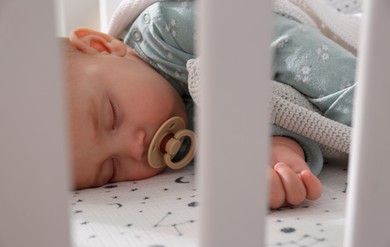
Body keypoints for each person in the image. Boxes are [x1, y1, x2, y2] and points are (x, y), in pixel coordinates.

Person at [63, 0, 356, 209]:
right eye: (111, 170)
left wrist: (363, 104)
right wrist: (279, 150)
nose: (134, 148)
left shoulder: (165, 24)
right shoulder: (179, 143)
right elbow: (274, 104)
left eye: (112, 116)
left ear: (101, 46)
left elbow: (286, 48)